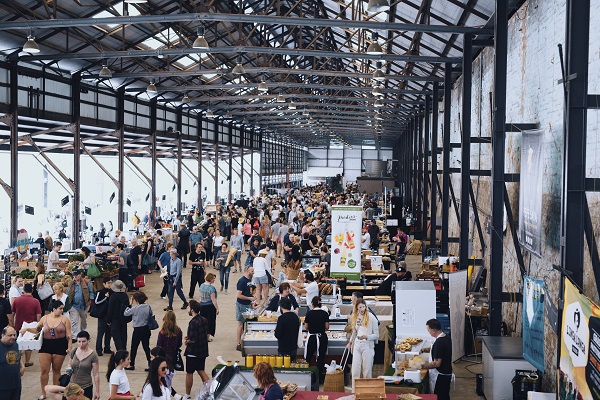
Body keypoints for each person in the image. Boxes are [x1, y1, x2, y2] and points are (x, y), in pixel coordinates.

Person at [20, 299, 71, 399]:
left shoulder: (65, 319)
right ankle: (43, 392)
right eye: (60, 309)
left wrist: (69, 347)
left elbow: (69, 334)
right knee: (44, 370)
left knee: (56, 370)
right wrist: (26, 329)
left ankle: (55, 391)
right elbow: (36, 330)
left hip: (60, 345)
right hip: (46, 345)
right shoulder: (44, 318)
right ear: (54, 309)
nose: (62, 310)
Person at [60, 331, 100, 400]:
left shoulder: (93, 355)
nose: (81, 344)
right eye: (79, 342)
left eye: (84, 341)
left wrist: (97, 391)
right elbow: (70, 363)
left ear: (88, 340)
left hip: (85, 386)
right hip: (72, 385)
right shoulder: (74, 351)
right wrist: (69, 368)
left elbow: (96, 374)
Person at [346, 299, 378, 380]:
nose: (362, 309)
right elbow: (355, 331)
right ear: (356, 308)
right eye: (360, 307)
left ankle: (366, 391)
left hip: (367, 345)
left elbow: (376, 335)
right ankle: (354, 390)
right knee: (355, 370)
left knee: (367, 371)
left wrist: (367, 337)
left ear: (366, 307)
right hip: (357, 344)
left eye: (363, 307)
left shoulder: (371, 317)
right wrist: (350, 342)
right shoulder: (357, 317)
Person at [184, 300, 210, 399]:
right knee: (201, 370)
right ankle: (210, 390)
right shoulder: (204, 319)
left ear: (192, 310)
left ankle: (187, 394)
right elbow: (203, 333)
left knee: (189, 373)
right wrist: (189, 336)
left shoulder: (193, 322)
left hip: (193, 351)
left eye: (188, 307)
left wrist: (187, 341)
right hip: (202, 350)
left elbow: (193, 339)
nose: (187, 309)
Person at [421, 319, 452, 400]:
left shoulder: (439, 343)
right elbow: (439, 350)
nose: (428, 332)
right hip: (447, 373)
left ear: (433, 330)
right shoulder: (446, 336)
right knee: (445, 396)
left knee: (440, 397)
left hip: (440, 376)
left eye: (428, 330)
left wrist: (421, 366)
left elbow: (436, 363)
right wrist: (426, 349)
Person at [12, 282, 41, 367]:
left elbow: (12, 313)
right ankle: (27, 361)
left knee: (17, 342)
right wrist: (38, 326)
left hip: (18, 325)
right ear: (31, 291)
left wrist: (11, 324)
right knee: (28, 343)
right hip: (30, 326)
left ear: (23, 290)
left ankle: (15, 360)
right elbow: (38, 315)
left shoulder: (17, 300)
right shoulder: (35, 301)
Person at [124, 291, 153, 371]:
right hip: (146, 328)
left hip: (137, 329)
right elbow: (150, 314)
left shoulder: (135, 308)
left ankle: (132, 364)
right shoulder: (148, 306)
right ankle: (150, 363)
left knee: (134, 347)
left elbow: (126, 313)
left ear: (136, 300)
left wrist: (130, 303)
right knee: (146, 347)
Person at [304, 296, 329, 382]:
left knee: (308, 357)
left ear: (312, 304)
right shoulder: (325, 313)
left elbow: (306, 327)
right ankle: (320, 378)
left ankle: (307, 377)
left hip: (312, 338)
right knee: (321, 357)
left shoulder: (309, 313)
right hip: (322, 337)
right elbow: (327, 327)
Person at [68, 269, 94, 340]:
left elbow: (91, 292)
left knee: (83, 321)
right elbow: (68, 293)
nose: (75, 276)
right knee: (74, 321)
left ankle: (84, 334)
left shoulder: (86, 282)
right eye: (74, 275)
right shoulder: (71, 283)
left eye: (77, 275)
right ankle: (74, 336)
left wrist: (91, 301)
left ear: (80, 275)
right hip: (74, 305)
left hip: (84, 305)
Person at [236, 266, 256, 351]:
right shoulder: (242, 281)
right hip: (241, 305)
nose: (253, 273)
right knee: (240, 324)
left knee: (247, 324)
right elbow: (238, 295)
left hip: (248, 304)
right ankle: (238, 343)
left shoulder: (249, 280)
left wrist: (252, 297)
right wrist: (249, 298)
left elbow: (251, 290)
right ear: (247, 271)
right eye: (252, 271)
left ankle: (245, 340)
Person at [0, 326, 24, 400]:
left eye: (14, 335)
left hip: (16, 384)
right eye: (10, 335)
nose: (13, 337)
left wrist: (22, 366)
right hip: (3, 386)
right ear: (3, 335)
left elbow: (18, 356)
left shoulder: (15, 345)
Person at [106, 280, 130, 352]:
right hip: (123, 318)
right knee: (123, 335)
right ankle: (124, 349)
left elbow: (110, 310)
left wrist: (108, 320)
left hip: (115, 319)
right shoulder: (125, 296)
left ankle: (120, 351)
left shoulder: (113, 297)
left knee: (116, 336)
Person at [93, 276, 112, 356]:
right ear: (104, 284)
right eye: (108, 283)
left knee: (109, 333)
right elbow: (96, 302)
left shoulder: (112, 292)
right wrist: (105, 297)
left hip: (109, 315)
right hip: (102, 315)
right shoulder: (100, 292)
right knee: (101, 333)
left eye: (111, 283)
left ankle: (107, 347)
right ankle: (99, 349)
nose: (109, 285)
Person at [199, 273, 219, 340]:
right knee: (210, 321)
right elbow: (213, 299)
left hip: (202, 305)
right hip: (209, 306)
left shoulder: (201, 285)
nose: (214, 280)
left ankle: (202, 335)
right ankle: (207, 336)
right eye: (213, 279)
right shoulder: (211, 288)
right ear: (210, 279)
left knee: (203, 321)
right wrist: (217, 308)